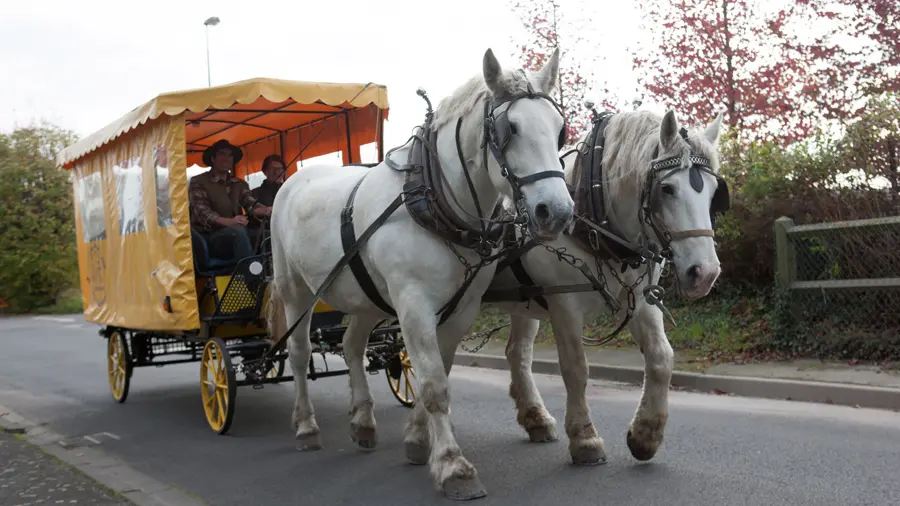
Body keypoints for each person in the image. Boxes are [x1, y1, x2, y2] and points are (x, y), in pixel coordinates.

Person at [188, 139, 272, 265]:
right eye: (222, 154)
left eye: (230, 155)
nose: (227, 158)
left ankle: (272, 274)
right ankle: (250, 279)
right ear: (213, 159)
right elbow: (202, 213)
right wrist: (230, 222)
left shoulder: (239, 184)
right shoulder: (198, 181)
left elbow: (250, 204)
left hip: (238, 233)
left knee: (269, 236)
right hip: (211, 237)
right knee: (238, 232)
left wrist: (267, 210)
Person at [248, 154, 286, 252]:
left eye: (280, 169)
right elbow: (250, 212)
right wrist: (263, 211)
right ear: (265, 171)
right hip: (264, 231)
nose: (277, 172)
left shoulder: (289, 191)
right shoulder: (254, 192)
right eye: (272, 169)